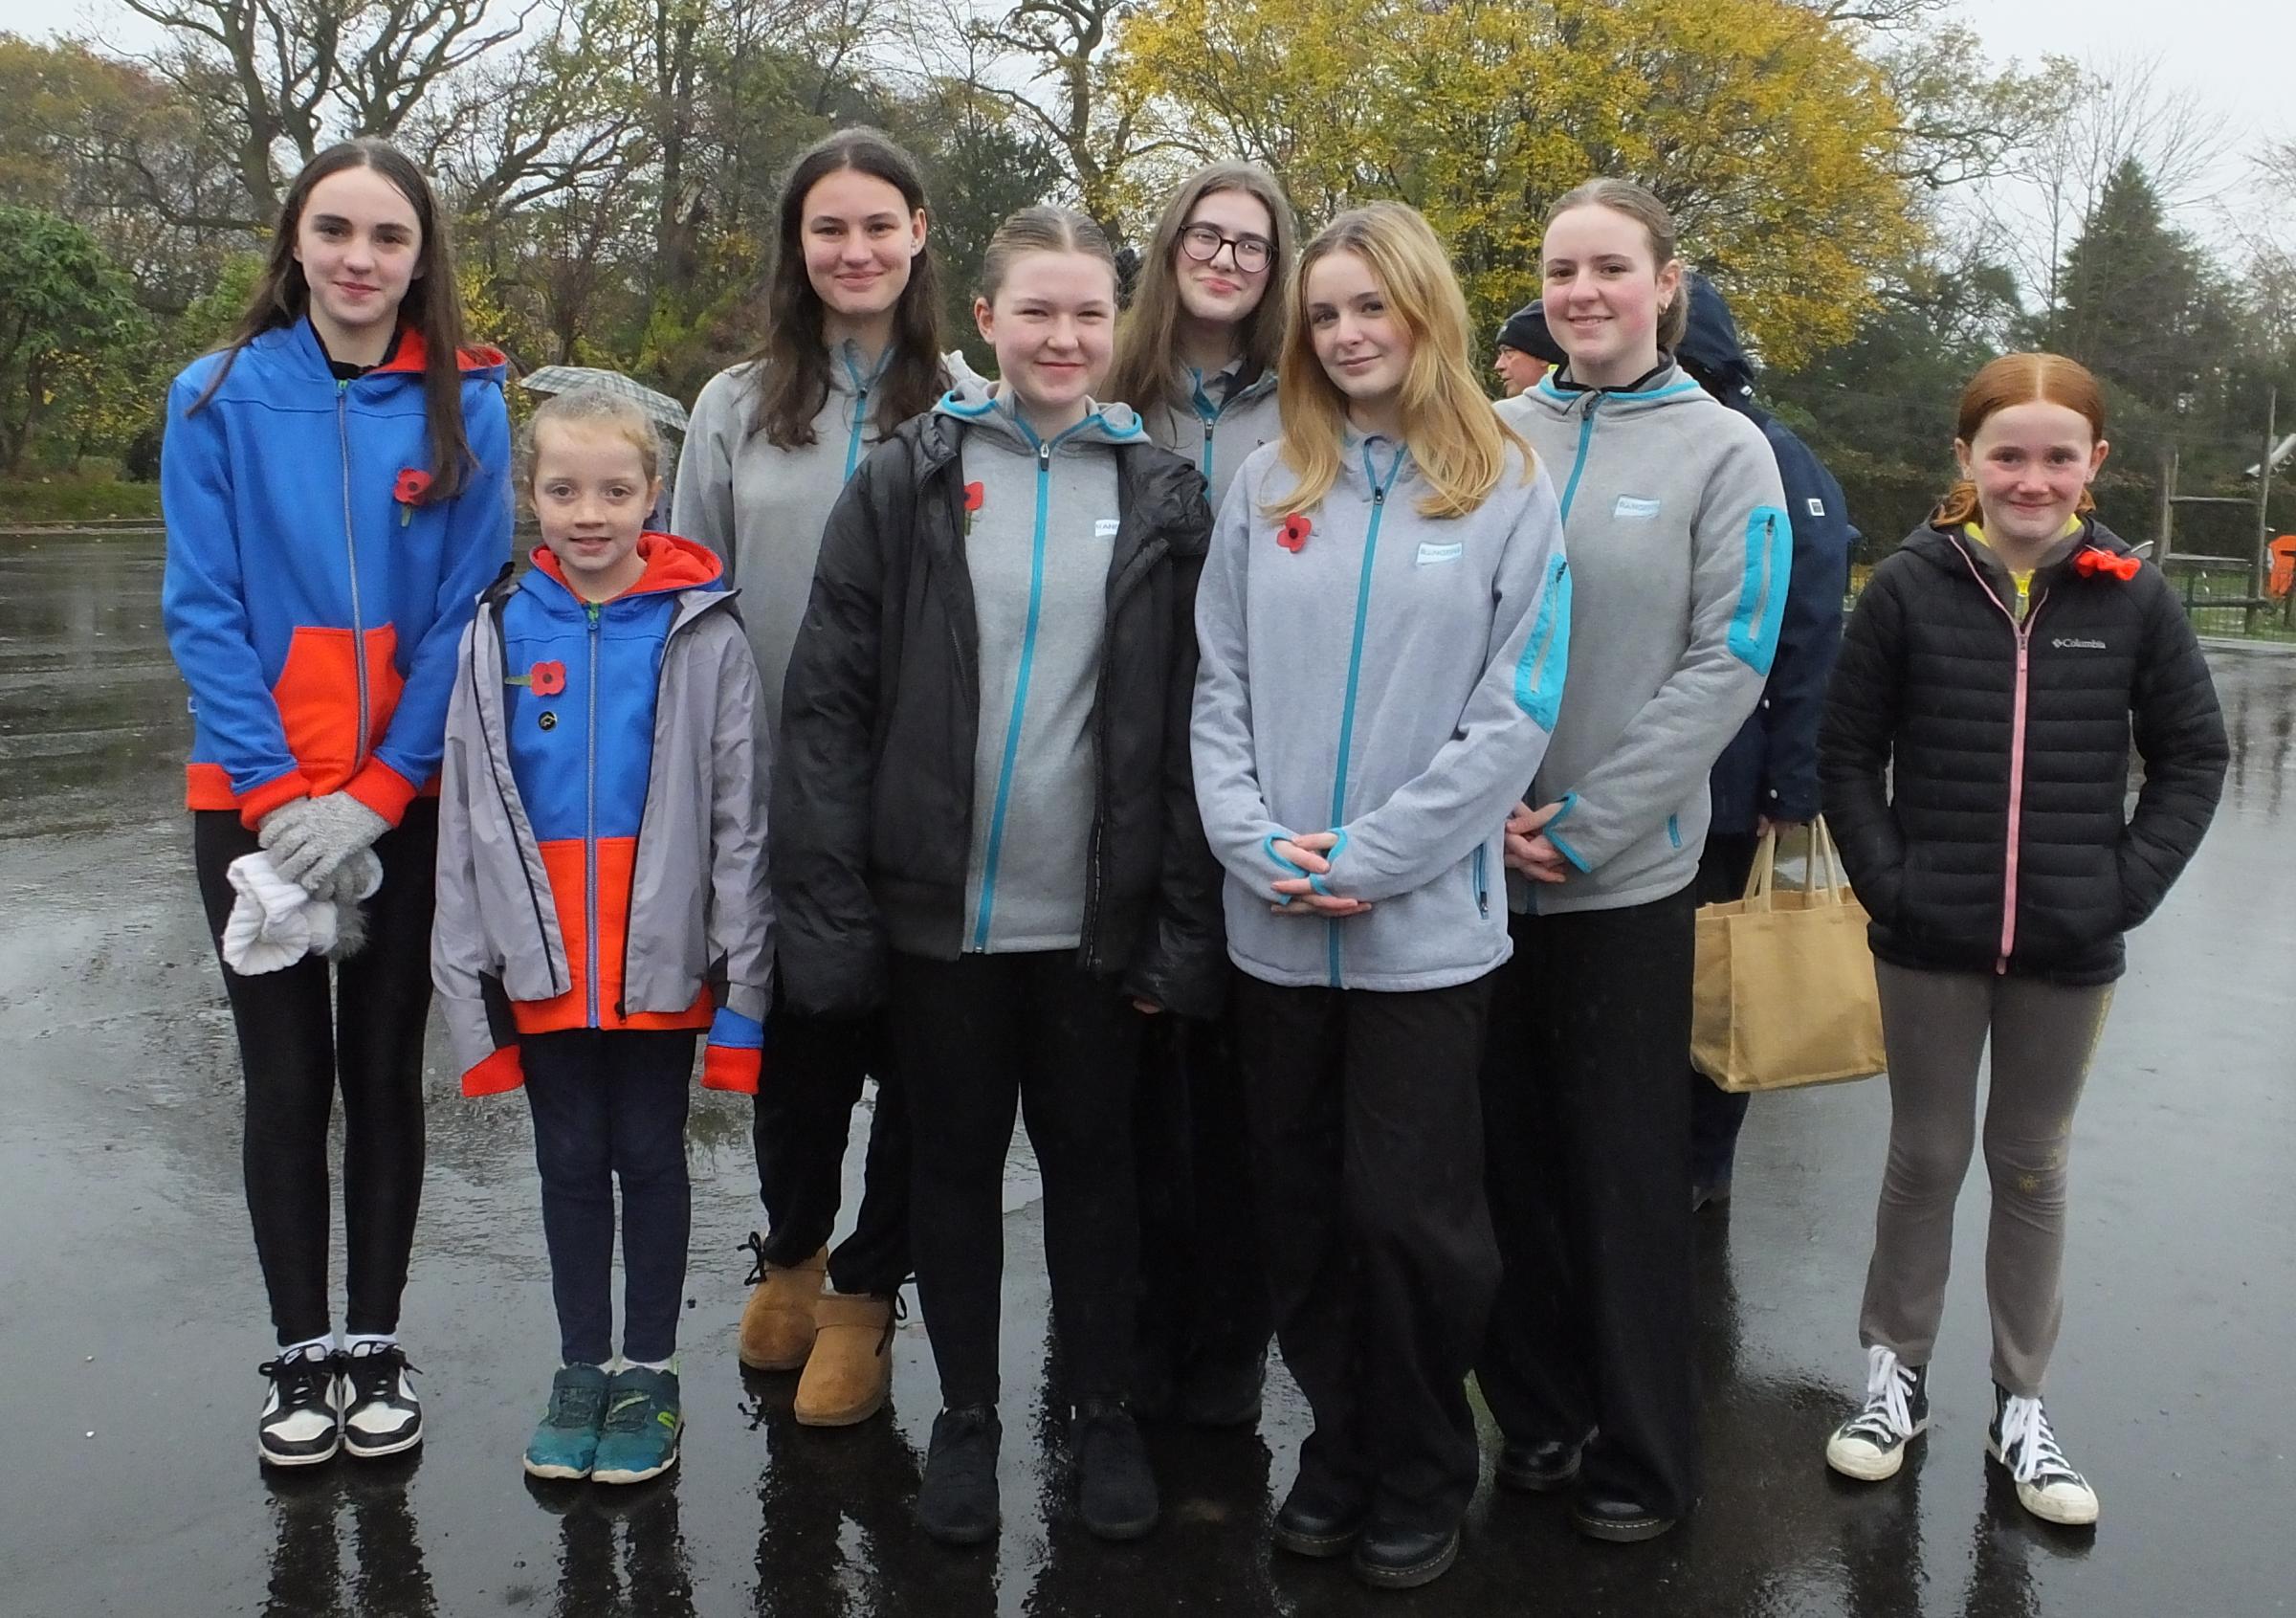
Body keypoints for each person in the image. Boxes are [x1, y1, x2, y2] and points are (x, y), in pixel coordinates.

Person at [774, 205, 1222, 1547]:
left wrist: (1181, 923)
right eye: (1037, 310)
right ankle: (967, 1411)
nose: (1064, 336)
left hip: (1093, 921)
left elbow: (1204, 721)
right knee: (955, 1169)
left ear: (1119, 325)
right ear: (986, 319)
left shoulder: (1164, 491)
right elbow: (828, 704)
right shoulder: (908, 478)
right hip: (937, 922)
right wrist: (835, 910)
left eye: (1090, 313)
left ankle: (1102, 1409)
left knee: (1095, 1171)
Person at [1193, 200, 1571, 1589]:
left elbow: (1514, 710)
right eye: (1328, 313)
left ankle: (1421, 1458)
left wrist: (1378, 856)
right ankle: (1337, 1446)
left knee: (1414, 1219)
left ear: (1426, 315)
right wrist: (1251, 838)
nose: (1349, 334)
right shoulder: (1264, 481)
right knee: (1298, 1205)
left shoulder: (1509, 483)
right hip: (1276, 926)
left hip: (1423, 934)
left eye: (1374, 307)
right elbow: (1217, 685)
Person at [1818, 351, 2225, 1527]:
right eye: (2008, 453)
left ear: (2094, 464)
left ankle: (2023, 1398)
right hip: (1927, 938)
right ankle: (1893, 1377)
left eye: (2058, 455)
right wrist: (1890, 882)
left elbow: (2193, 755)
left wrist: (2122, 886)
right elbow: (1848, 751)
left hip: (2069, 943)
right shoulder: (1908, 586)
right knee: (1926, 1157)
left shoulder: (2133, 596)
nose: (2031, 477)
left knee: (2033, 1163)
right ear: (1968, 463)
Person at [161, 137, 512, 1469]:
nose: (360, 259)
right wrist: (274, 797)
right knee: (284, 1076)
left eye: (389, 237)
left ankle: (375, 1341)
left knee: (381, 1069)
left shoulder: (467, 406)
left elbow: (460, 613)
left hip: (400, 803)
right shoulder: (214, 398)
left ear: (423, 260)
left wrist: (374, 793)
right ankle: (301, 1351)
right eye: (336, 231)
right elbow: (205, 608)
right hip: (249, 801)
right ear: (294, 243)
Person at [1481, 178, 1787, 1542]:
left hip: (1624, 882)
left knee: (1619, 1177)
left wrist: (1590, 820)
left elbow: (1731, 655)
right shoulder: (1488, 436)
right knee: (1502, 1166)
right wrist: (1470, 809)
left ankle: (1646, 1452)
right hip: (1475, 872)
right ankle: (1537, 1411)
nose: (1582, 290)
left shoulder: (1728, 455)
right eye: (1560, 269)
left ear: (1668, 280)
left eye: (1610, 266)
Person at [431, 389, 772, 1485]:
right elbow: (467, 816)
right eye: (564, 488)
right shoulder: (495, 627)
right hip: (544, 962)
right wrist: (466, 979)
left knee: (650, 1154)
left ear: (652, 496)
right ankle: (583, 1363)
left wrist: (741, 979)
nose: (590, 512)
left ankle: (652, 1370)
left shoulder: (705, 628)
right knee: (570, 1158)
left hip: (661, 952)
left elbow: (740, 818)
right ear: (530, 493)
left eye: (615, 490)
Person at [673, 127, 945, 1427]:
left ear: (920, 233)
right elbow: (687, 607)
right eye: (828, 228)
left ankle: (867, 1290)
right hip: (775, 795)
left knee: (919, 1058)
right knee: (795, 1056)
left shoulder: (970, 401)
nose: (855, 250)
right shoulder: (735, 405)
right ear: (797, 244)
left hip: (924, 803)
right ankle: (789, 1246)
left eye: (877, 225)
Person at [1103, 159, 1296, 1429]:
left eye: (1253, 244)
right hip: (1120, 757)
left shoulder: (1308, 400)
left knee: (1235, 1088)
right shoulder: (1115, 394)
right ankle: (1118, 1325)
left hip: (1261, 757)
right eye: (1207, 237)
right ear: (1170, 249)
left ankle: (1230, 1334)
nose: (1226, 260)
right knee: (1121, 1076)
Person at [1669, 274, 1857, 1209]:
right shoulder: (1738, 447)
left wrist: (1794, 783)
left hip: (1733, 787)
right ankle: (1690, 1160)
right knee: (1705, 977)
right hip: (1708, 778)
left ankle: (1702, 1166)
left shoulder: (1769, 460)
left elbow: (1811, 632)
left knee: (1723, 977)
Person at [1490, 303, 1558, 398]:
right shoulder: (1503, 411)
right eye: (1500, 355)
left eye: (1509, 352)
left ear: (1543, 358)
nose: (1498, 366)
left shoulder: (1581, 411)